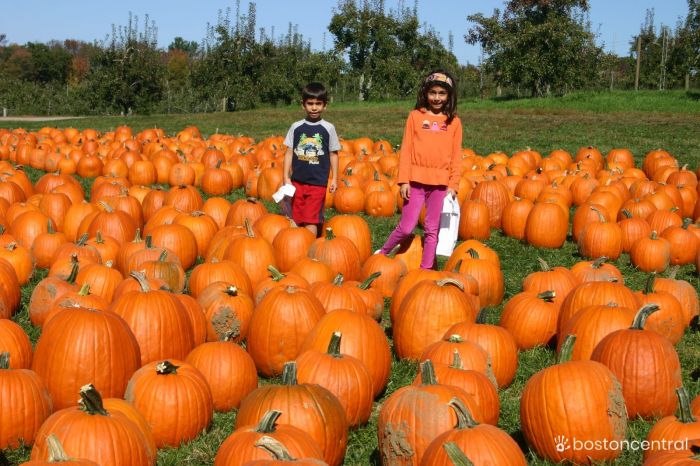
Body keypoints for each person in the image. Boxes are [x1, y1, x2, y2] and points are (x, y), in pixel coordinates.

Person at [377, 69, 462, 269]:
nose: (437, 98)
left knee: (432, 230)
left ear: (449, 96)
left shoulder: (454, 122)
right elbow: (406, 149)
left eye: (442, 93)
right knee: (406, 227)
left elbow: (457, 156)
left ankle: (425, 270)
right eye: (433, 92)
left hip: (440, 184)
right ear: (425, 93)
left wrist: (453, 184)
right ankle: (382, 253)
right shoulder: (415, 117)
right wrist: (403, 180)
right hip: (415, 181)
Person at [283, 82, 340, 237]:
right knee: (295, 217)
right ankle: (296, 248)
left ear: (325, 106)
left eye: (318, 104)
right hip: (297, 181)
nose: (314, 108)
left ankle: (310, 249)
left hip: (318, 183)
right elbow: (289, 153)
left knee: (310, 220)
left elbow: (333, 154)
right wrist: (286, 177)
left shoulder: (328, 128)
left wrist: (334, 178)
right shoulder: (296, 127)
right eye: (310, 104)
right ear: (303, 105)